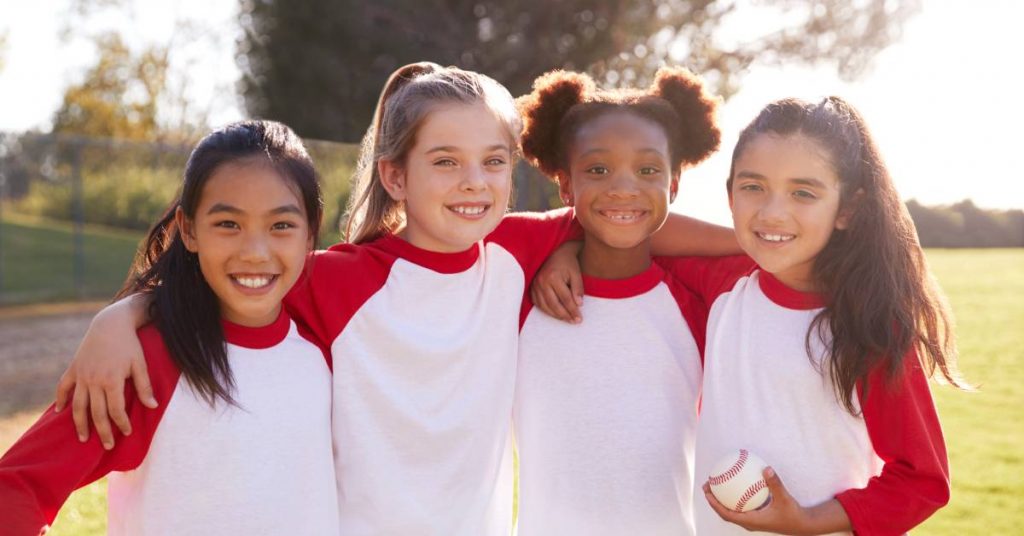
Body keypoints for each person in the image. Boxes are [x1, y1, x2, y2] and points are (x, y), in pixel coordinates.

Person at [46, 63, 738, 535]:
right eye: (445, 161)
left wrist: (767, 241)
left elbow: (623, 214)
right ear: (394, 177)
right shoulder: (338, 280)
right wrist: (125, 313)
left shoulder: (513, 251)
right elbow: (242, 267)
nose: (474, 182)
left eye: (493, 162)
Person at [533, 96, 966, 535]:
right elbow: (625, 229)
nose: (773, 212)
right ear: (730, 195)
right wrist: (567, 249)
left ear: (848, 209)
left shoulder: (869, 323)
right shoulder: (722, 284)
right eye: (753, 187)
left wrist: (808, 520)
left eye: (803, 193)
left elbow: (922, 480)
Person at [0, 120, 339, 535]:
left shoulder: (330, 345)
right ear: (189, 229)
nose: (255, 252)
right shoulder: (145, 364)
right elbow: (15, 487)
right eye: (228, 224)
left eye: (281, 225)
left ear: (310, 233)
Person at [513, 66, 723, 535]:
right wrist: (563, 247)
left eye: (648, 170)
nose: (623, 187)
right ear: (565, 185)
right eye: (598, 169)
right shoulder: (519, 294)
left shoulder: (698, 303)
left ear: (674, 185)